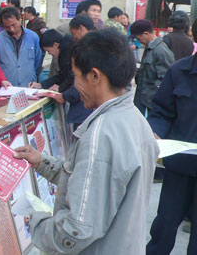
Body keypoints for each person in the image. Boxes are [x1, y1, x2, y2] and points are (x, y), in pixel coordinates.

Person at [15, 28, 159, 255]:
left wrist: (37, 222)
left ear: (94, 76)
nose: (74, 85)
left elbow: (76, 231)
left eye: (75, 76)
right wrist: (42, 162)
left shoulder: (101, 135)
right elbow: (95, 184)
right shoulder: (135, 119)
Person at [146, 54, 197, 255]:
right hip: (180, 165)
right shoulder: (178, 71)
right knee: (165, 225)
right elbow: (161, 111)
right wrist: (155, 131)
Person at [130, 19, 175, 116]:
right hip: (142, 100)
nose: (139, 41)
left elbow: (165, 79)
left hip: (151, 104)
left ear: (146, 33)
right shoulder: (149, 48)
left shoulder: (161, 51)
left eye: (139, 38)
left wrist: (154, 95)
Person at [0, 7, 42, 87]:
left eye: (14, 25)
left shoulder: (33, 37)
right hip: (6, 87)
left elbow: (37, 61)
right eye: (7, 27)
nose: (11, 29)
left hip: (28, 85)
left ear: (20, 19)